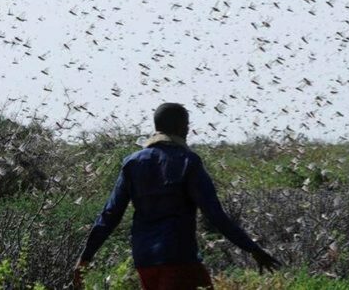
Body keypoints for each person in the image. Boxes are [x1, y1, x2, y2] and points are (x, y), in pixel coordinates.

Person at [73, 102, 281, 289]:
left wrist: (85, 258)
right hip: (179, 258)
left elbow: (110, 215)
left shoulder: (133, 163)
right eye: (187, 126)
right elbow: (215, 214)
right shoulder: (187, 161)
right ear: (183, 128)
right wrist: (252, 248)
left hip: (145, 261)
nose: (188, 130)